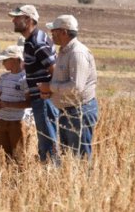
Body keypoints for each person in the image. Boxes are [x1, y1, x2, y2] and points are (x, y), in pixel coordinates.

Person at [40, 15, 98, 162]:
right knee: (70, 159)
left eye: (54, 31)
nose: (51, 34)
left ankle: (84, 185)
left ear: (64, 32)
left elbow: (76, 87)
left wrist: (51, 87)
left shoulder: (77, 53)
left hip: (79, 112)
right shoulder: (65, 51)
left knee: (80, 158)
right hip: (68, 110)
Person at [8, 5, 59, 163]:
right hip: (40, 97)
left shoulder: (37, 42)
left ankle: (52, 173)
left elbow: (54, 70)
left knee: (47, 140)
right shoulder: (32, 41)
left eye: (18, 17)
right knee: (45, 138)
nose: (13, 20)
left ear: (29, 20)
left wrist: (48, 89)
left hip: (44, 99)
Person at [0, 45, 31, 165]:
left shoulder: (25, 79)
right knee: (3, 154)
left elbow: (29, 103)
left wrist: (7, 104)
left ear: (14, 60)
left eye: (5, 60)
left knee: (19, 156)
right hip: (2, 119)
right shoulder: (3, 78)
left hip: (17, 121)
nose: (3, 63)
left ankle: (19, 180)